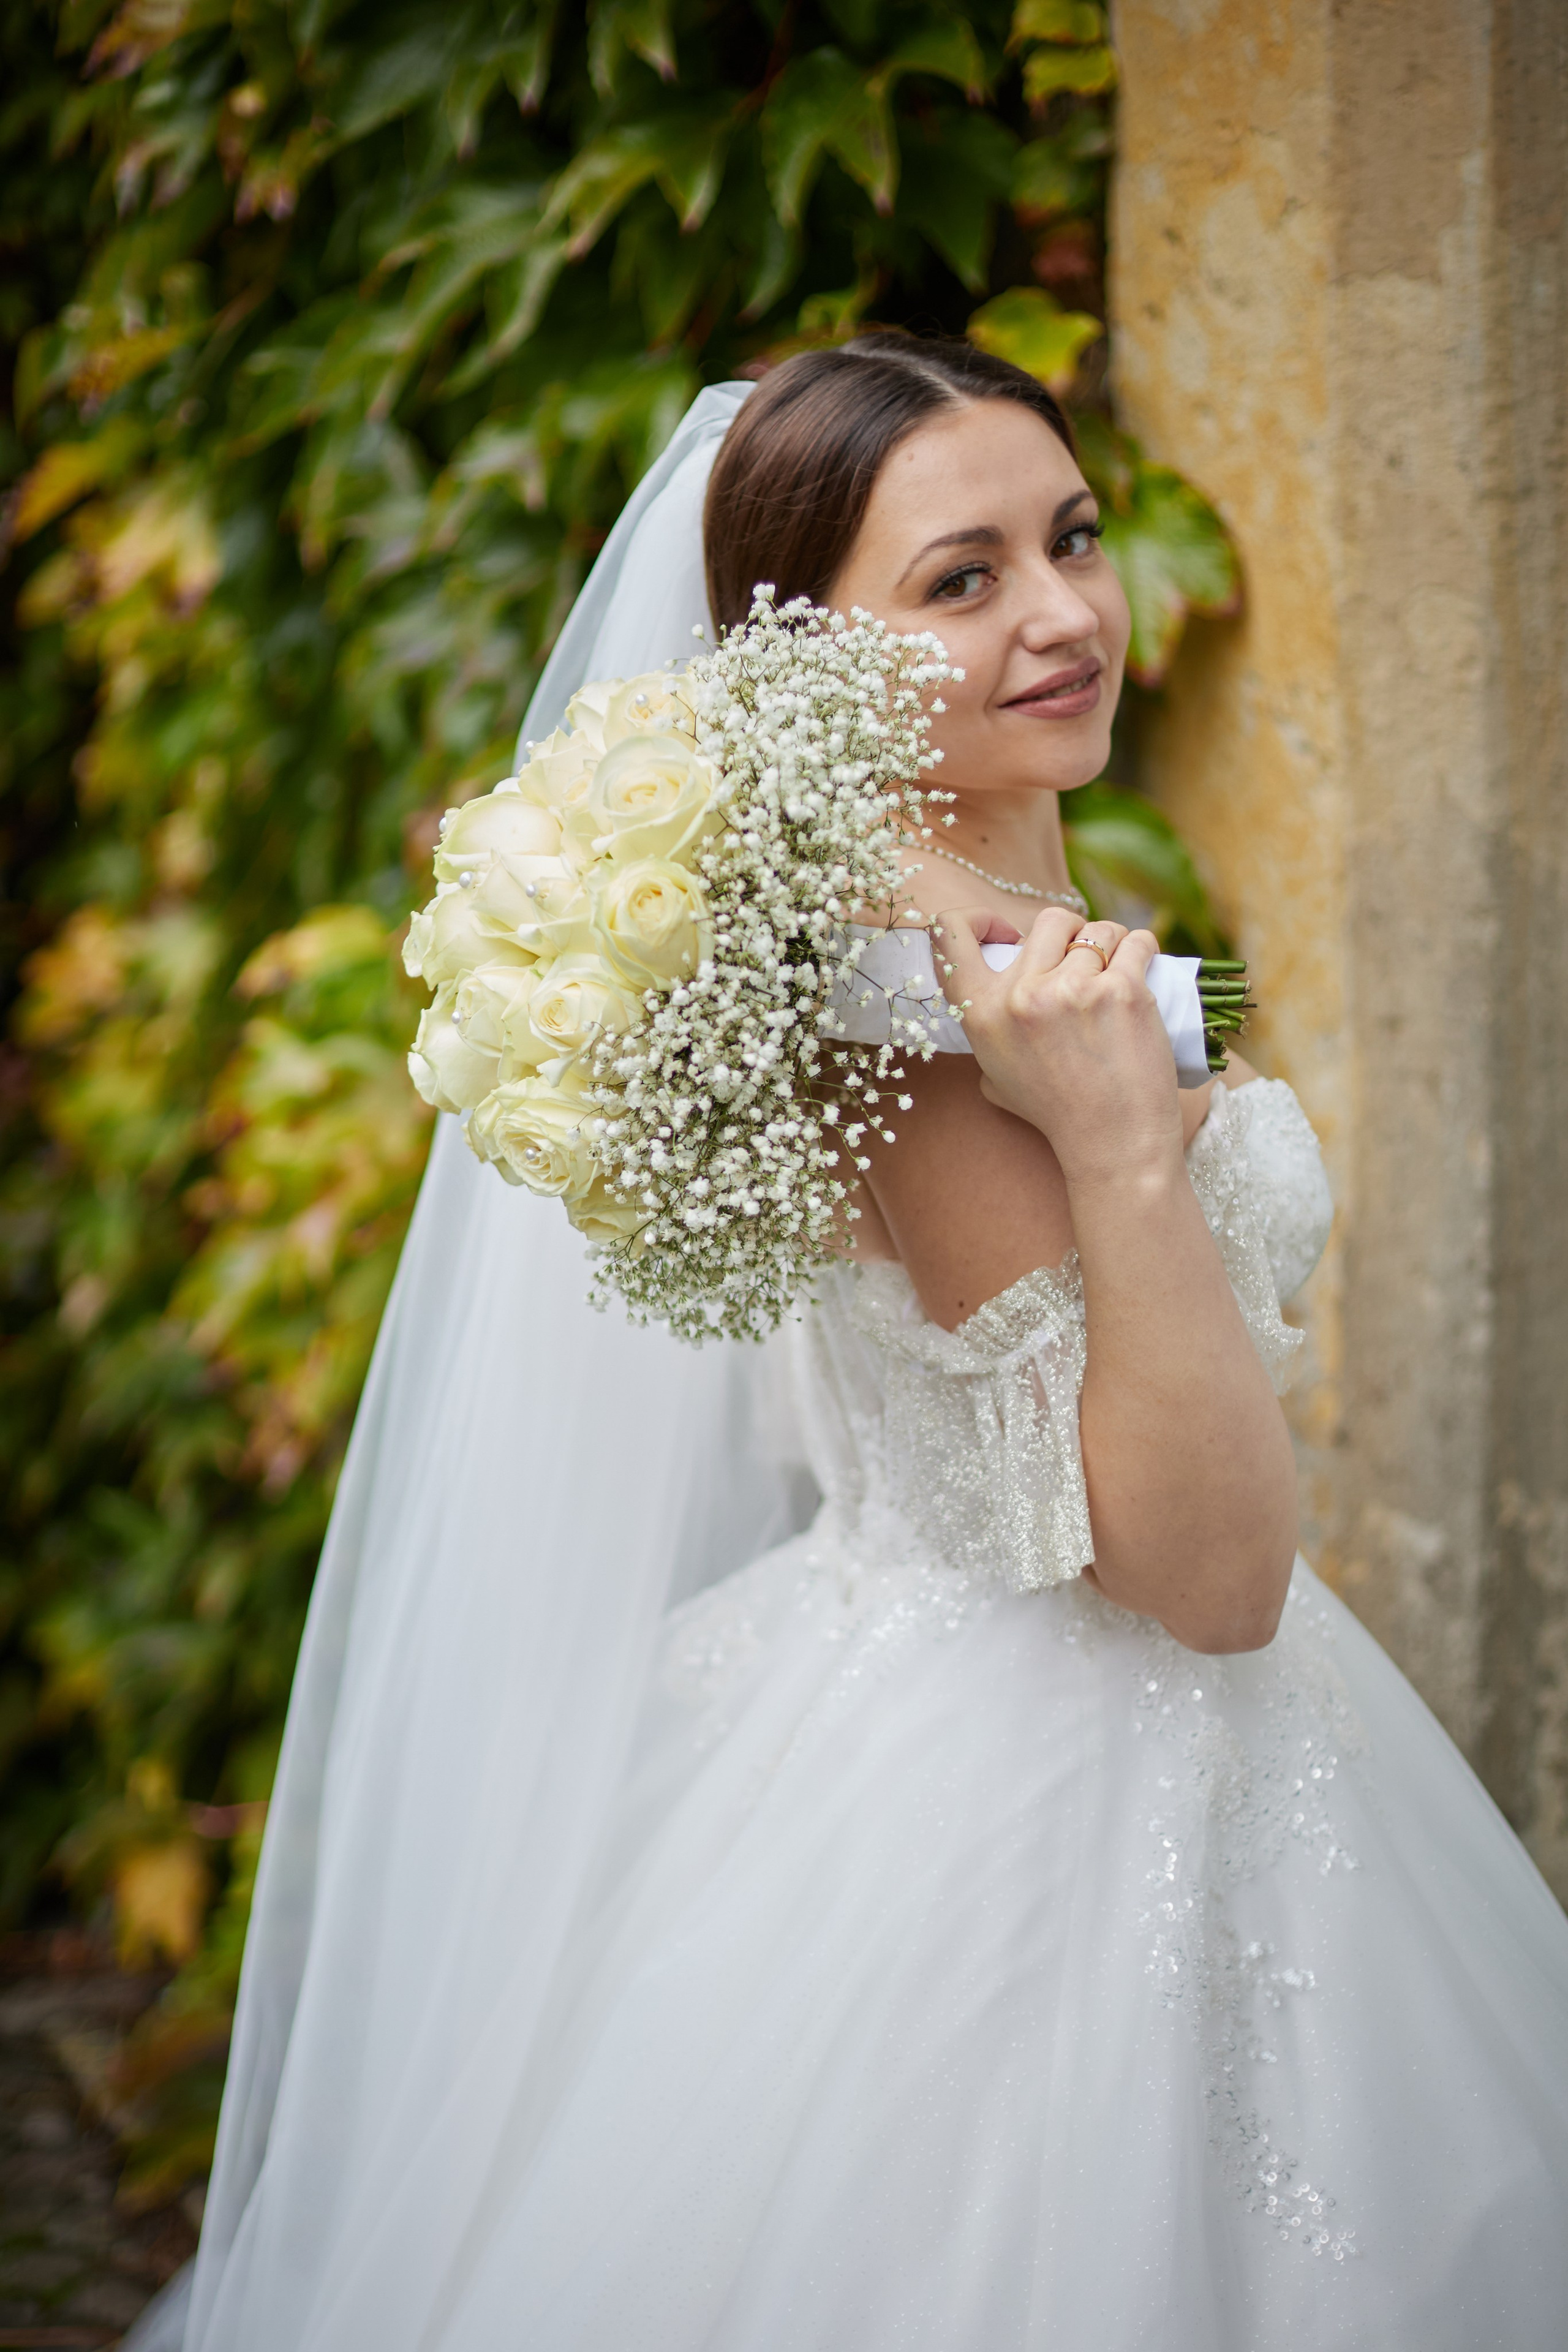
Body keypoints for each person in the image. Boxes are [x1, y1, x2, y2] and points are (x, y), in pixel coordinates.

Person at [132, 339, 1568, 2352]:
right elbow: (1213, 1586)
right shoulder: (922, 1033)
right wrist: (1126, 1160)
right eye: (959, 580)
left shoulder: (963, 930)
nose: (1064, 613)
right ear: (798, 659)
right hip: (1053, 1794)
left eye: (1069, 538)